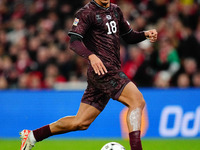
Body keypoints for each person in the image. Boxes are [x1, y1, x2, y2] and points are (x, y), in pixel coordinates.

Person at [20, 0, 157, 150]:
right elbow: (74, 41)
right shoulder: (86, 12)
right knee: (137, 101)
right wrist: (91, 56)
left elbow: (129, 36)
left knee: (80, 122)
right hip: (104, 70)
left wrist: (145, 34)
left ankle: (33, 136)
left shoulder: (115, 10)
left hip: (104, 72)